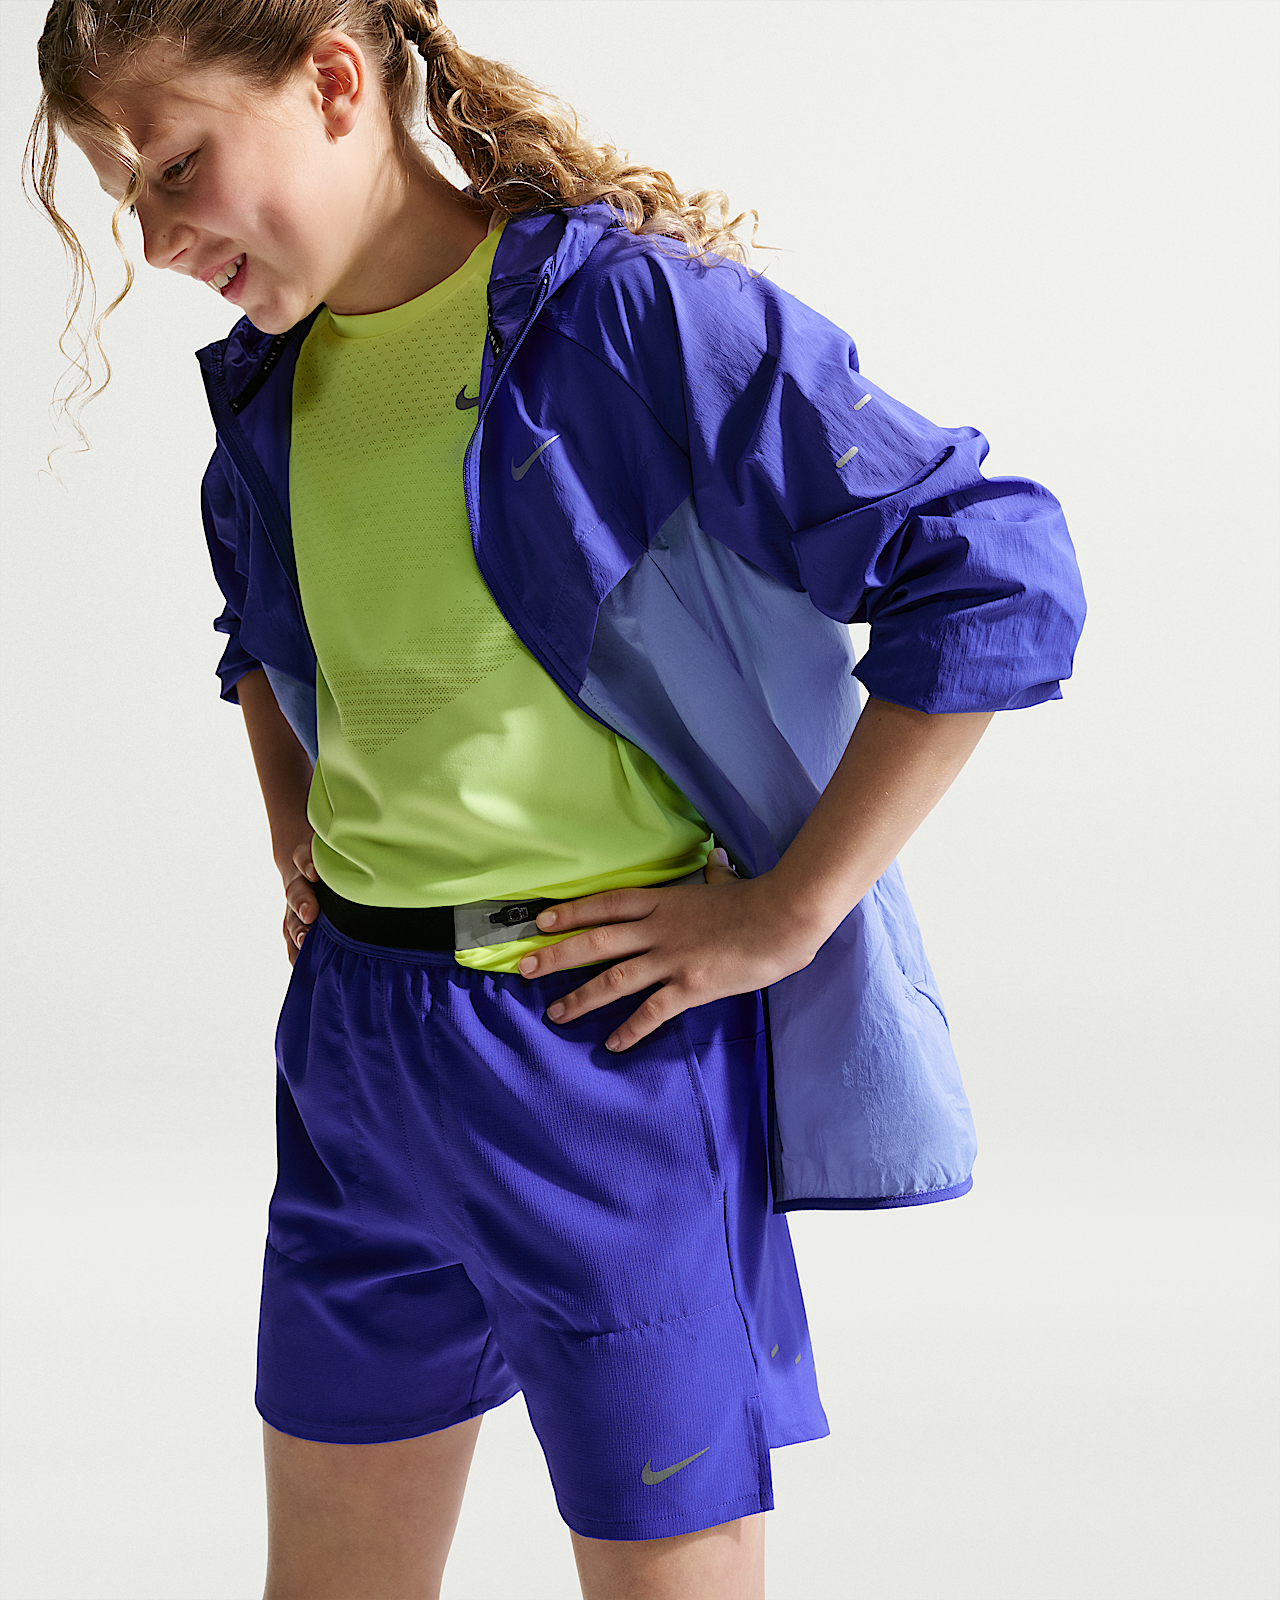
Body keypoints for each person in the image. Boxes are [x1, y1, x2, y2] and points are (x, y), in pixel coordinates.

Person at [29, 3, 1086, 1595]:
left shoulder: (627, 321)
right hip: (353, 1053)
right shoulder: (267, 389)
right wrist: (293, 817)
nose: (158, 237)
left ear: (332, 79)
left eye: (175, 165)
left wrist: (788, 915)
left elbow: (992, 565)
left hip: (598, 1055)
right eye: (126, 195)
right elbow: (265, 625)